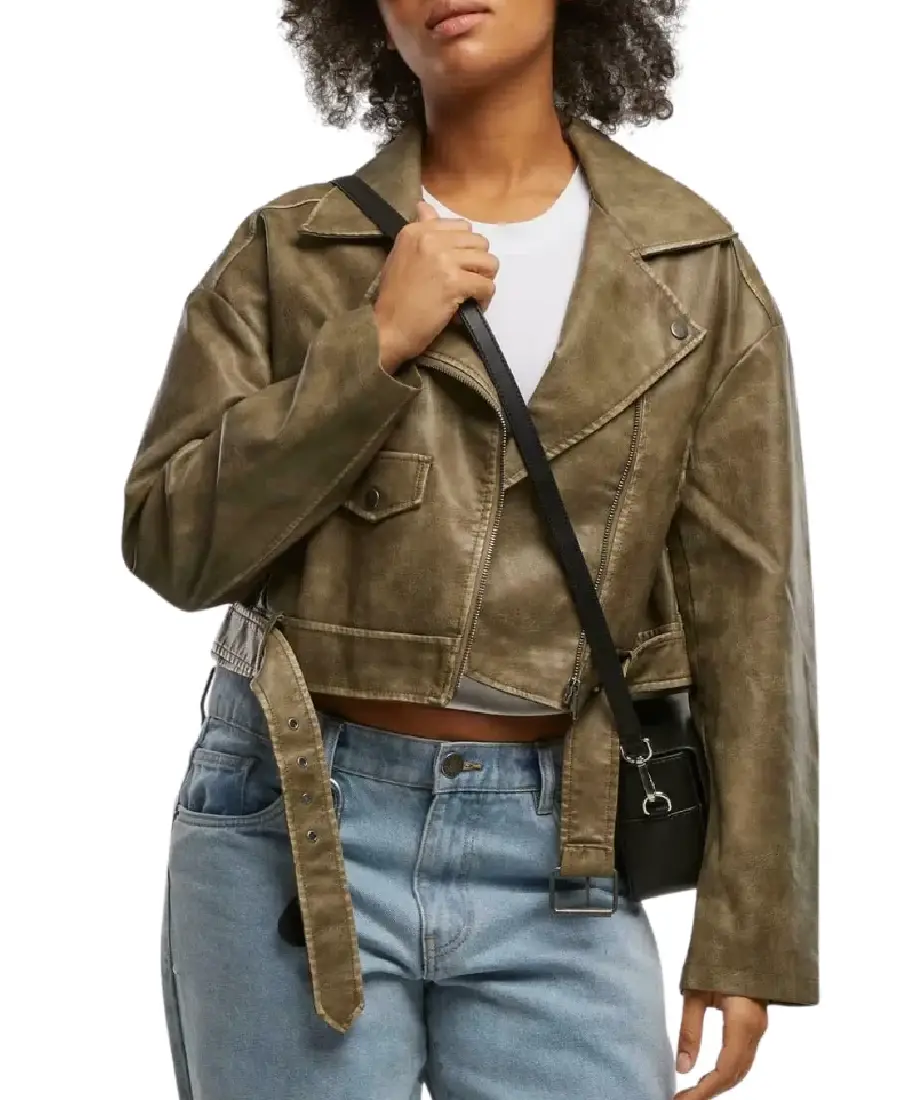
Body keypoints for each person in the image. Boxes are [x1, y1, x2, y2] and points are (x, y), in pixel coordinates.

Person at [121, 1, 819, 1098]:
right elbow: (170, 543)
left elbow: (755, 610)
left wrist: (752, 932)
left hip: (569, 853)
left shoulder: (694, 268)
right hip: (295, 828)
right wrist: (372, 345)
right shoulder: (290, 253)